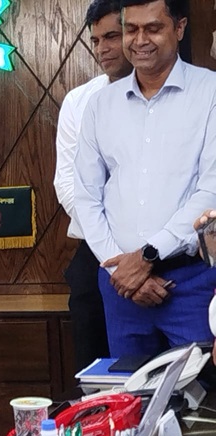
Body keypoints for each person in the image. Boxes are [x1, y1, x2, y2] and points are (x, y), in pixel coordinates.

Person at [74, 0, 216, 358]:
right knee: (127, 388)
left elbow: (211, 191)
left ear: (179, 28)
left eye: (153, 28)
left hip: (191, 281)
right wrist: (122, 269)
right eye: (131, 29)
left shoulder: (210, 92)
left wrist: (148, 256)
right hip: (120, 285)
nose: (140, 40)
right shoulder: (101, 105)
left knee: (198, 389)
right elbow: (87, 196)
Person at [54, 0, 133, 370]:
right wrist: (114, 253)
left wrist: (144, 254)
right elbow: (67, 184)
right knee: (96, 369)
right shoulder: (79, 101)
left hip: (165, 251)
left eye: (112, 37)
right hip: (97, 251)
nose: (102, 49)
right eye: (96, 40)